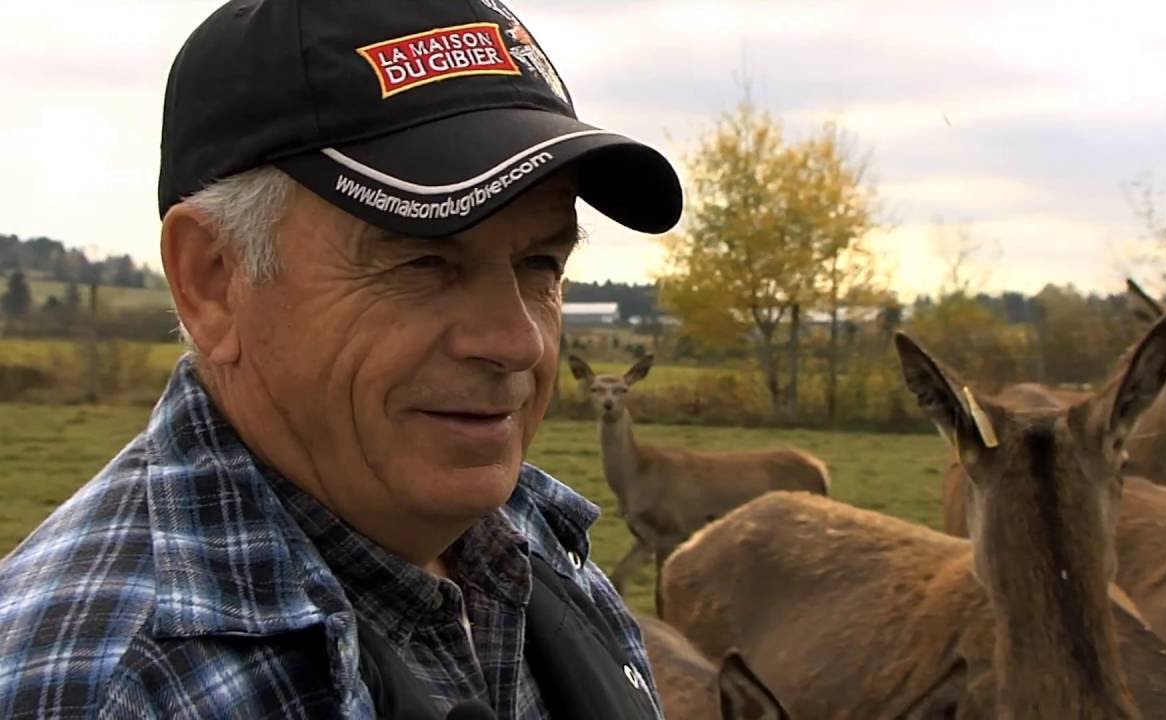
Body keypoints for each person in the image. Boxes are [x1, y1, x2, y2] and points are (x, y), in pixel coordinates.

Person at [0, 0, 683, 717]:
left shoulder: (533, 545)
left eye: (541, 264)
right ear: (213, 283)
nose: (520, 343)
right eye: (422, 262)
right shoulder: (104, 691)